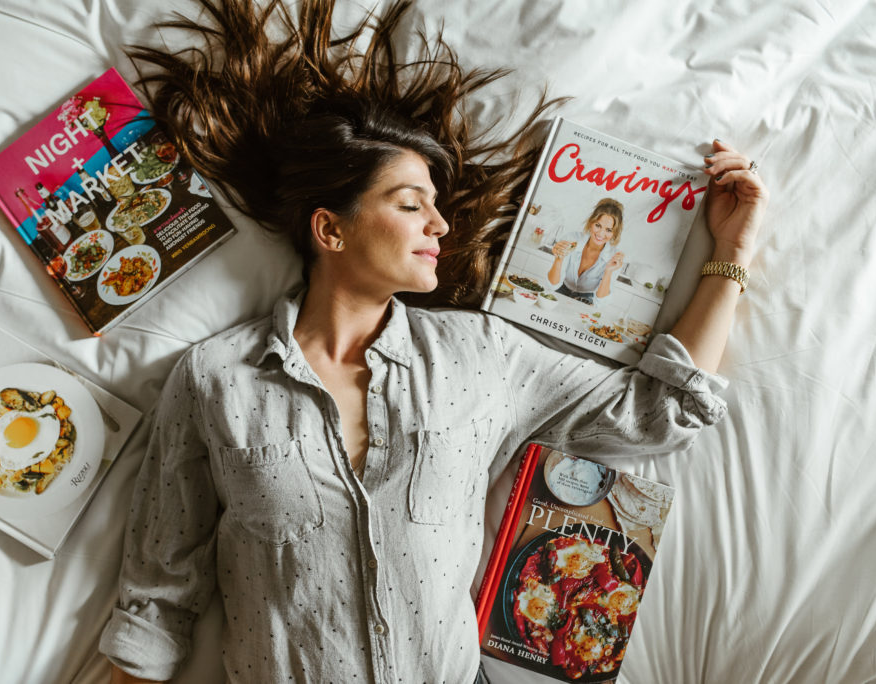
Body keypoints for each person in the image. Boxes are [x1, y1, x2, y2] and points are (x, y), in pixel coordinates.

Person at [100, 1, 768, 682]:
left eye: (437, 205)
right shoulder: (216, 378)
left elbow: (660, 412)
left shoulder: (482, 355)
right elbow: (156, 607)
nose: (441, 226)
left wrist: (730, 253)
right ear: (330, 230)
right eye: (410, 204)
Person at [546, 197, 625, 304]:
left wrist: (608, 271)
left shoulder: (614, 258)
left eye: (608, 230)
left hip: (587, 299)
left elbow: (601, 300)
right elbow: (552, 285)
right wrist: (558, 259)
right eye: (598, 225)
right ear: (591, 222)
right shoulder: (571, 240)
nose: (601, 234)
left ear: (614, 233)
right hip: (561, 289)